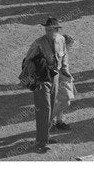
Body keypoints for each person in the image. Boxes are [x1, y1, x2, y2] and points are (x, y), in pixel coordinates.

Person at [21, 18, 74, 151]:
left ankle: (45, 137)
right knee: (44, 109)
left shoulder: (61, 40)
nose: (48, 31)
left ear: (57, 30)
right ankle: (41, 143)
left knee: (50, 109)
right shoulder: (38, 43)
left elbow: (64, 55)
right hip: (41, 80)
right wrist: (31, 78)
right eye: (46, 29)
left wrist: (65, 70)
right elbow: (27, 61)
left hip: (55, 78)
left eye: (51, 29)